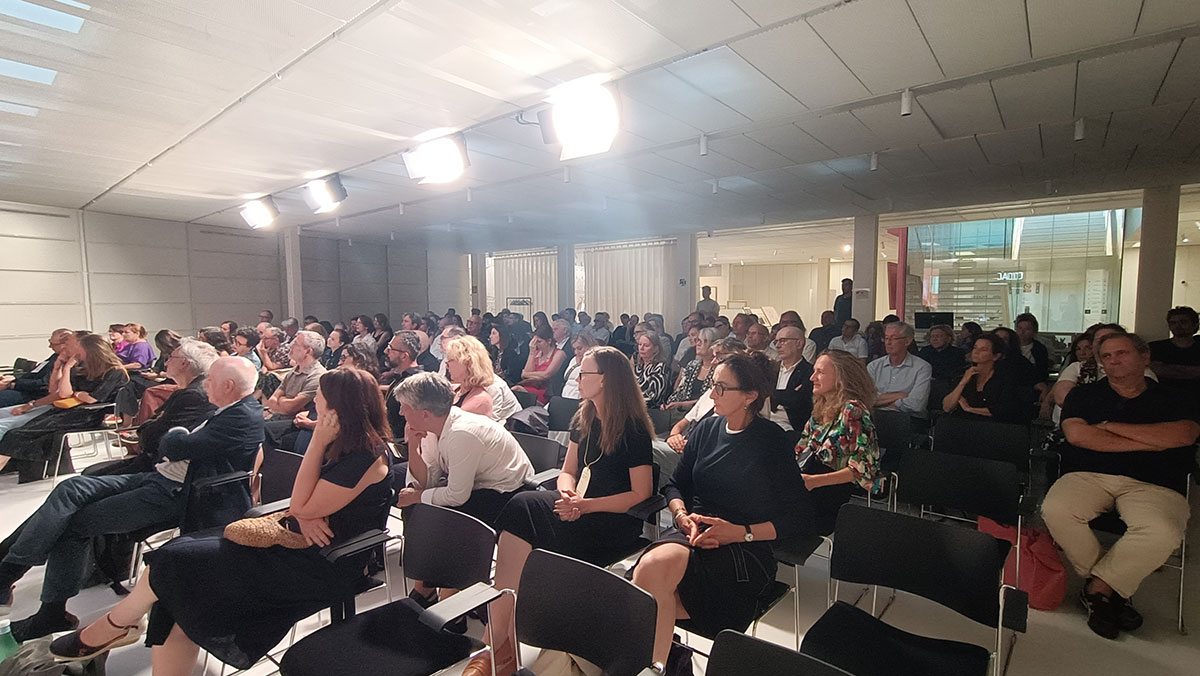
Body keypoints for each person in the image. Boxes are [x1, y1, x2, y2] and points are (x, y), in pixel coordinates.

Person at [47, 367, 389, 670]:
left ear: (337, 409)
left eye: (320, 399)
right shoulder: (343, 444)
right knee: (174, 580)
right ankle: (115, 627)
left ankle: (112, 627)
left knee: (175, 566)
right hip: (295, 542)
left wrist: (314, 452)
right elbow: (305, 505)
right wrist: (307, 510)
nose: (314, 403)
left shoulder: (367, 457)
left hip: (321, 563)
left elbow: (301, 505)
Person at [0, 355, 262, 642]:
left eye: (211, 380)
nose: (206, 384)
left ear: (228, 385)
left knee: (72, 525)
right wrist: (174, 437)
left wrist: (175, 434)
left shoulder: (241, 417)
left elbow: (172, 445)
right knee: (71, 488)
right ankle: (9, 574)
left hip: (178, 495)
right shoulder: (228, 409)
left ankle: (46, 611)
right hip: (159, 478)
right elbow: (163, 440)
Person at [467, 346, 655, 676]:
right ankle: (498, 641)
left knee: (523, 507)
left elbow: (641, 494)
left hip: (611, 521)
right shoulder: (585, 417)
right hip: (577, 506)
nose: (578, 379)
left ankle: (497, 646)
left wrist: (585, 505)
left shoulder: (633, 428)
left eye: (584, 373)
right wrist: (568, 493)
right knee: (521, 510)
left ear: (605, 380)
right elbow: (568, 471)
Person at [632, 354, 813, 668]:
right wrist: (681, 516)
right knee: (652, 580)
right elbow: (674, 486)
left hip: (745, 548)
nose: (711, 394)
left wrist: (739, 533)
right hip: (694, 532)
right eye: (712, 385)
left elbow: (798, 517)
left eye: (720, 388)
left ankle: (659, 664)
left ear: (749, 396)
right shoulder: (706, 429)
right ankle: (661, 665)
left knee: (651, 588)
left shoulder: (771, 441)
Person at [1041, 332, 1198, 640]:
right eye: (1107, 356)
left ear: (1144, 357)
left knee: (1163, 530)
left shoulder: (1175, 397)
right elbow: (1078, 436)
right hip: (1088, 474)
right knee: (1056, 510)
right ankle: (1112, 587)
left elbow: (1184, 435)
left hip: (1155, 482)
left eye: (1122, 353)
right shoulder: (1084, 396)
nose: (1113, 361)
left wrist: (1109, 426)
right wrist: (1152, 441)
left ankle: (1098, 588)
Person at [394, 372, 534, 529]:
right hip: (475, 485)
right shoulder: (431, 426)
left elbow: (457, 496)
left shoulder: (462, 433)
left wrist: (417, 496)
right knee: (415, 506)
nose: (401, 413)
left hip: (503, 492)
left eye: (404, 407)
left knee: (428, 514)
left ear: (425, 414)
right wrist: (413, 445)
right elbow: (427, 482)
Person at [0, 334, 129, 477]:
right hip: (67, 411)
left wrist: (77, 394)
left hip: (88, 415)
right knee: (18, 434)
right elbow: (64, 393)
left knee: (18, 435)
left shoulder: (115, 372)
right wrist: (64, 368)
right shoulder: (82, 369)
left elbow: (92, 398)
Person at [797, 349, 881, 535]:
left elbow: (862, 469)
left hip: (827, 492)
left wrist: (813, 481)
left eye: (820, 372)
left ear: (840, 377)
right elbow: (801, 450)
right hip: (807, 483)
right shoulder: (820, 407)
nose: (812, 377)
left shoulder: (853, 412)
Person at [942, 333, 1030, 423]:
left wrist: (970, 409)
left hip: (993, 425)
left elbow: (1004, 410)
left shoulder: (1005, 376)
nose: (976, 352)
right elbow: (947, 407)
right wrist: (963, 382)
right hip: (963, 423)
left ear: (996, 356)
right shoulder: (961, 373)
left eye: (983, 349)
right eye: (975, 348)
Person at [442, 335, 522, 422]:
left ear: (466, 362)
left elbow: (491, 423)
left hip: (510, 425)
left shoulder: (491, 386)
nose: (446, 366)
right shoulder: (460, 386)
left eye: (449, 361)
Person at [868, 322, 932, 420]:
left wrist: (880, 402)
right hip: (876, 418)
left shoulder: (922, 367)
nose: (888, 342)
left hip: (909, 420)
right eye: (886, 338)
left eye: (893, 338)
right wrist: (900, 395)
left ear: (907, 341)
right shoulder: (874, 366)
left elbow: (916, 405)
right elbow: (866, 398)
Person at [263, 331, 326, 421]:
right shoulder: (294, 370)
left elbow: (291, 408)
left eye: (295, 344)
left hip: (294, 422)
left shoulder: (317, 376)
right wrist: (284, 402)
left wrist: (281, 400)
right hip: (278, 416)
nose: (290, 346)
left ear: (308, 351)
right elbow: (272, 401)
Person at [0, 329, 71, 408]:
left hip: (33, 394)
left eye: (53, 344)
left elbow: (43, 384)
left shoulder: (66, 361)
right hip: (23, 388)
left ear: (64, 344)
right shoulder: (55, 356)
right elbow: (35, 373)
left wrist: (13, 385)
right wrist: (13, 380)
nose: (50, 346)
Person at [768, 326, 814, 433]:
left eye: (782, 341)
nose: (777, 346)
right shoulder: (770, 369)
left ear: (799, 343)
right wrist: (788, 394)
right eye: (776, 342)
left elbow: (800, 401)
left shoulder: (810, 372)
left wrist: (771, 395)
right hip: (765, 422)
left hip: (791, 428)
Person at [665, 327, 719, 411]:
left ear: (713, 345)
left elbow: (710, 400)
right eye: (698, 340)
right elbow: (680, 391)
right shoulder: (692, 365)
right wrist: (668, 404)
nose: (698, 344)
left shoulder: (719, 370)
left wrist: (683, 404)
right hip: (683, 411)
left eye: (703, 341)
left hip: (706, 413)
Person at [1149, 306, 1200, 391]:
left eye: (1183, 322)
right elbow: (1155, 369)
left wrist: (1168, 368)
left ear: (1195, 324)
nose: (1178, 326)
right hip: (1164, 394)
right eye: (1173, 323)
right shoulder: (1156, 347)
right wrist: (1193, 371)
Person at [514, 324, 564, 405]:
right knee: (515, 390)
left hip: (545, 390)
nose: (536, 344)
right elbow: (524, 375)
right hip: (530, 385)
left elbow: (546, 374)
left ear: (549, 341)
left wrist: (527, 374)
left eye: (539, 342)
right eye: (534, 342)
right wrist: (532, 352)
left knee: (517, 390)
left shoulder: (559, 353)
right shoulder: (536, 353)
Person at [634, 330, 669, 409]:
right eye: (640, 344)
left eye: (646, 345)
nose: (641, 348)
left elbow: (653, 397)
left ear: (656, 348)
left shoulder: (660, 368)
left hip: (651, 409)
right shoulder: (638, 367)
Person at [560, 332, 599, 400]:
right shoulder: (573, 359)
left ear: (589, 345)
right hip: (565, 396)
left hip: (580, 398)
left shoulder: (596, 361)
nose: (576, 352)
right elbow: (566, 377)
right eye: (574, 349)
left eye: (579, 348)